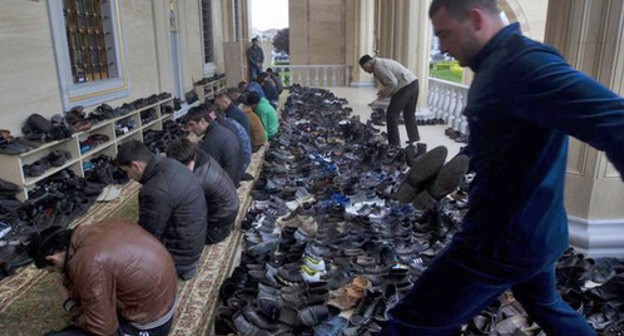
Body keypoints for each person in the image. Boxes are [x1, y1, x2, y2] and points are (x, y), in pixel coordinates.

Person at [381, 0, 624, 335]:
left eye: (445, 35)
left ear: (476, 19)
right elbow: (508, 140)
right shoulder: (500, 64)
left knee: (411, 322)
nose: (441, 47)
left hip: (501, 239)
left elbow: (616, 123)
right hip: (541, 231)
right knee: (544, 303)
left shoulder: (522, 66)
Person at [29, 219, 177, 336]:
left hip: (150, 326)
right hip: (162, 302)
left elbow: (102, 329)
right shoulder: (100, 227)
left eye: (52, 270)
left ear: (52, 258)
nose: (54, 273)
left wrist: (70, 304)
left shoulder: (89, 261)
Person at [116, 140, 207, 280]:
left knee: (122, 262)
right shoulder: (170, 163)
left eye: (127, 172)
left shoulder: (154, 191)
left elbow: (149, 235)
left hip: (182, 255)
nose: (128, 177)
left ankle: (181, 268)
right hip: (195, 239)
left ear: (135, 165)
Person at [167, 139, 239, 244]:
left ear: (193, 157)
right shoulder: (202, 156)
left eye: (186, 165)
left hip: (218, 227)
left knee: (174, 235)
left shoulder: (198, 179)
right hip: (228, 211)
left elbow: (186, 211)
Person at [359, 54, 420, 147]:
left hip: (405, 86)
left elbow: (392, 83)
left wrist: (384, 93)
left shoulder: (378, 66)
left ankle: (394, 144)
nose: (365, 71)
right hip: (413, 83)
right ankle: (414, 138)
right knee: (409, 113)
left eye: (365, 68)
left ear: (369, 62)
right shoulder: (379, 63)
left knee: (391, 115)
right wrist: (384, 92)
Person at [186, 103, 243, 186]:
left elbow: (208, 172)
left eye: (192, 124)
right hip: (233, 178)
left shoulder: (211, 140)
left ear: (202, 121)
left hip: (227, 186)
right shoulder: (221, 130)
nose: (191, 129)